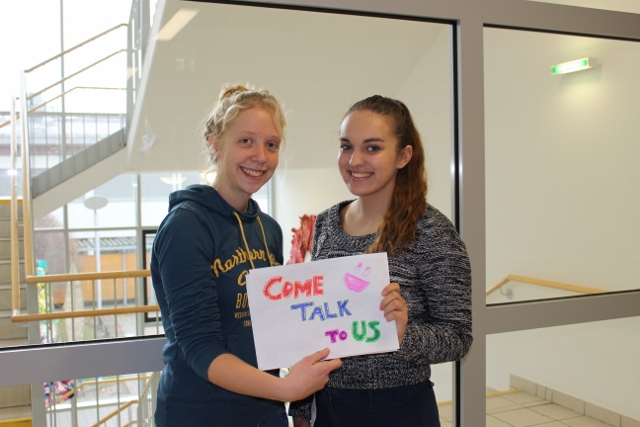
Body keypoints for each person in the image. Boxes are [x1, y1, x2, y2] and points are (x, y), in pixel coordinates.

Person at [150, 84, 342, 427]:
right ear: (215, 143)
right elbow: (200, 348)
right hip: (200, 414)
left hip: (265, 412)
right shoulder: (185, 227)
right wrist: (286, 388)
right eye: (245, 141)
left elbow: (272, 325)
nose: (261, 156)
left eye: (271, 145)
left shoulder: (268, 230)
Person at [290, 95, 473, 427]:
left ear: (403, 156)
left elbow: (458, 337)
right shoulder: (326, 223)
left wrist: (402, 335)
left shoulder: (431, 231)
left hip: (398, 407)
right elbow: (316, 323)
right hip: (327, 403)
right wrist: (302, 409)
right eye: (346, 146)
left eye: (372, 148)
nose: (355, 160)